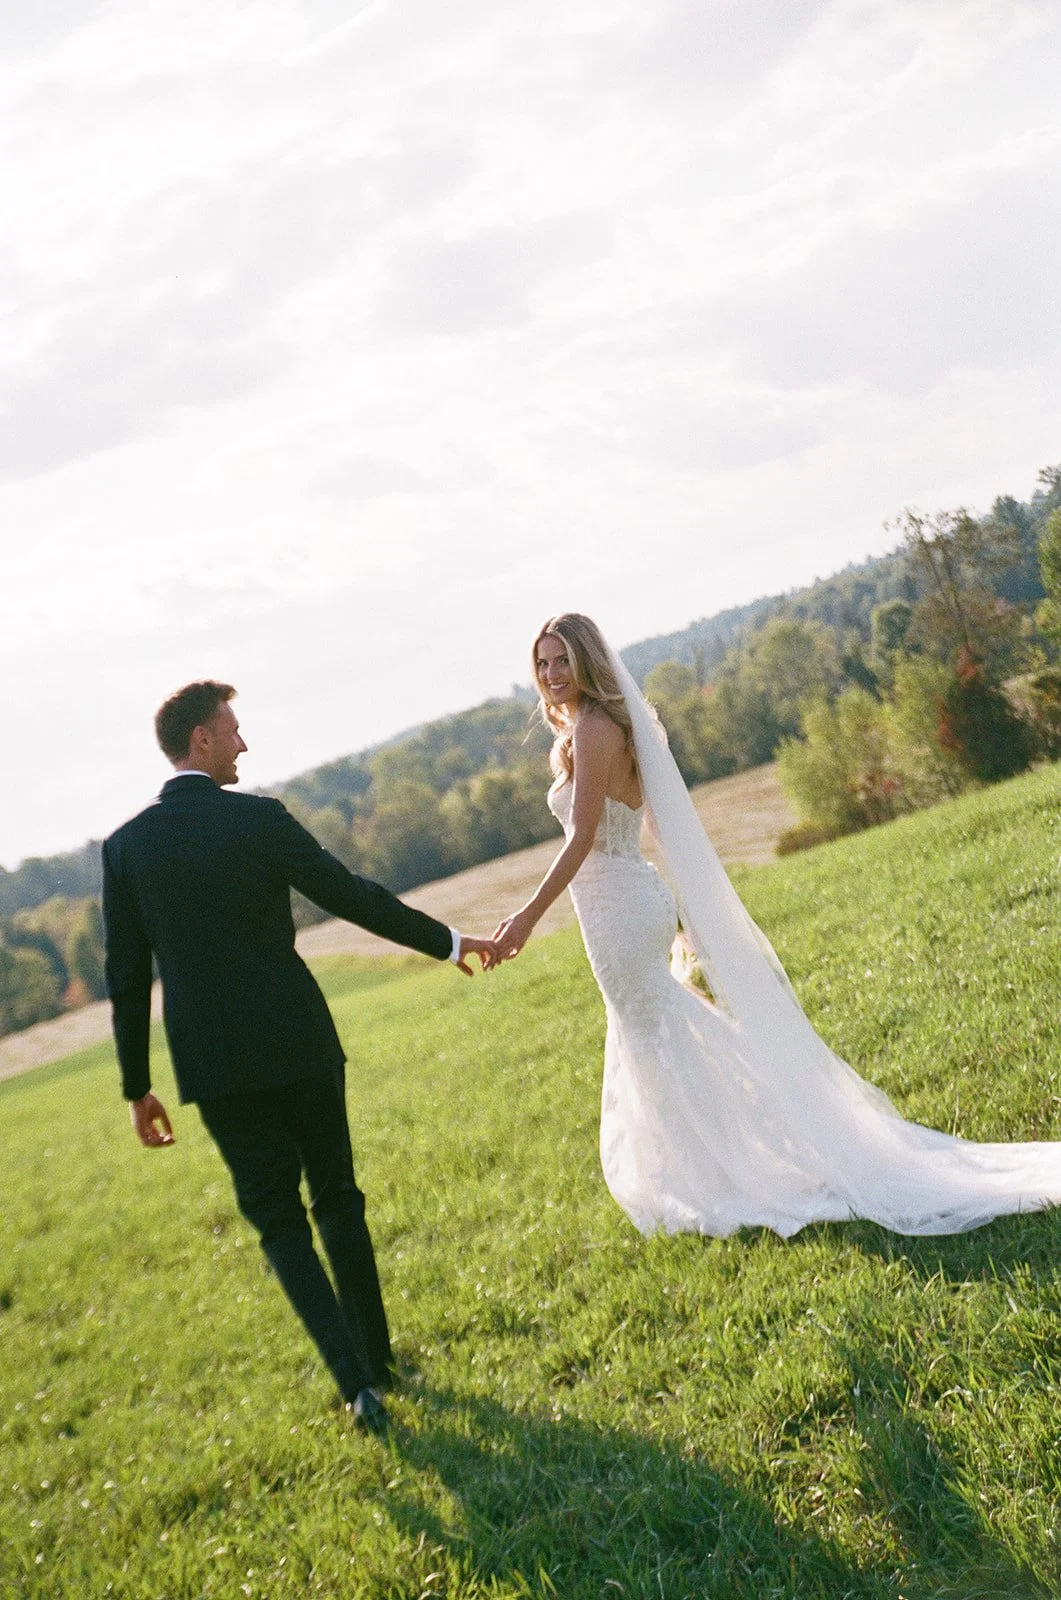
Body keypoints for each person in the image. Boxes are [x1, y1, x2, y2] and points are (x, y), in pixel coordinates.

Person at [492, 613, 1061, 1238]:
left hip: (619, 909)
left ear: (586, 662)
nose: (550, 674)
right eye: (541, 664)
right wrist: (679, 912)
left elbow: (581, 840)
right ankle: (715, 1163)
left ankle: (744, 1164)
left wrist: (525, 918)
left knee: (658, 1035)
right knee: (663, 1032)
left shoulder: (598, 729)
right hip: (625, 905)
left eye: (560, 661)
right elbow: (648, 826)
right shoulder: (592, 729)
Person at [103, 680, 498, 1436]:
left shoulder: (126, 850)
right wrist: (446, 942)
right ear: (201, 740)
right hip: (299, 1042)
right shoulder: (257, 819)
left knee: (279, 1222)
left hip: (214, 1066)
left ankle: (357, 1387)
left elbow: (125, 977)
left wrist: (136, 1086)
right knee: (337, 1197)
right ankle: (377, 1362)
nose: (244, 744)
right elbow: (349, 895)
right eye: (233, 731)